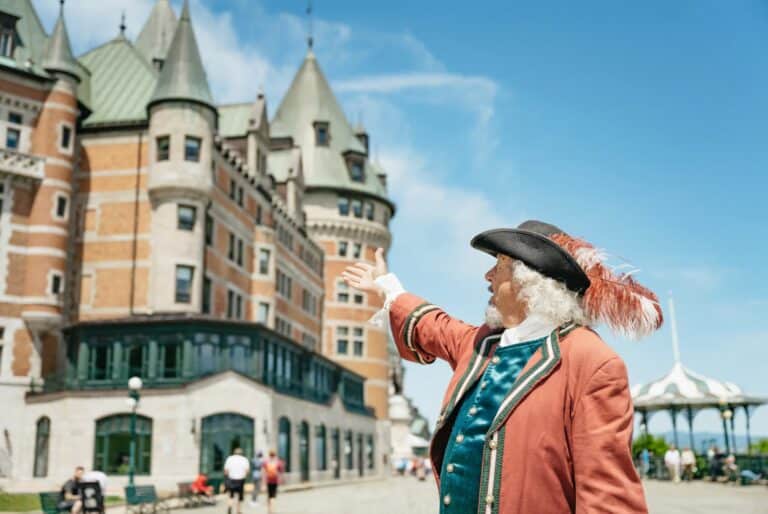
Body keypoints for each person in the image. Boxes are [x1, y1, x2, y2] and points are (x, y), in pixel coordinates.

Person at [343, 220, 660, 513]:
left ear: (530, 281)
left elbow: (609, 499)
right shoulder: (482, 343)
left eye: (499, 266)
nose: (488, 276)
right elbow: (433, 325)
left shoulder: (590, 362)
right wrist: (386, 287)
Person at [223, 448, 249, 514]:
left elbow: (226, 471)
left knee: (231, 495)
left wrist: (226, 478)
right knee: (240, 496)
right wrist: (244, 477)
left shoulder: (229, 458)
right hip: (240, 479)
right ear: (241, 453)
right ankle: (238, 510)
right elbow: (247, 471)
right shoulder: (244, 459)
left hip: (231, 479)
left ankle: (230, 507)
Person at [261, 450, 284, 514]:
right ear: (275, 455)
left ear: (269, 455)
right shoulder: (278, 462)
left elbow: (263, 472)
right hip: (275, 481)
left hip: (268, 480)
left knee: (269, 495)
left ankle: (269, 510)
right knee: (273, 496)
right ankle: (273, 510)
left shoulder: (266, 462)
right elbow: (281, 472)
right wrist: (280, 480)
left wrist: (263, 483)